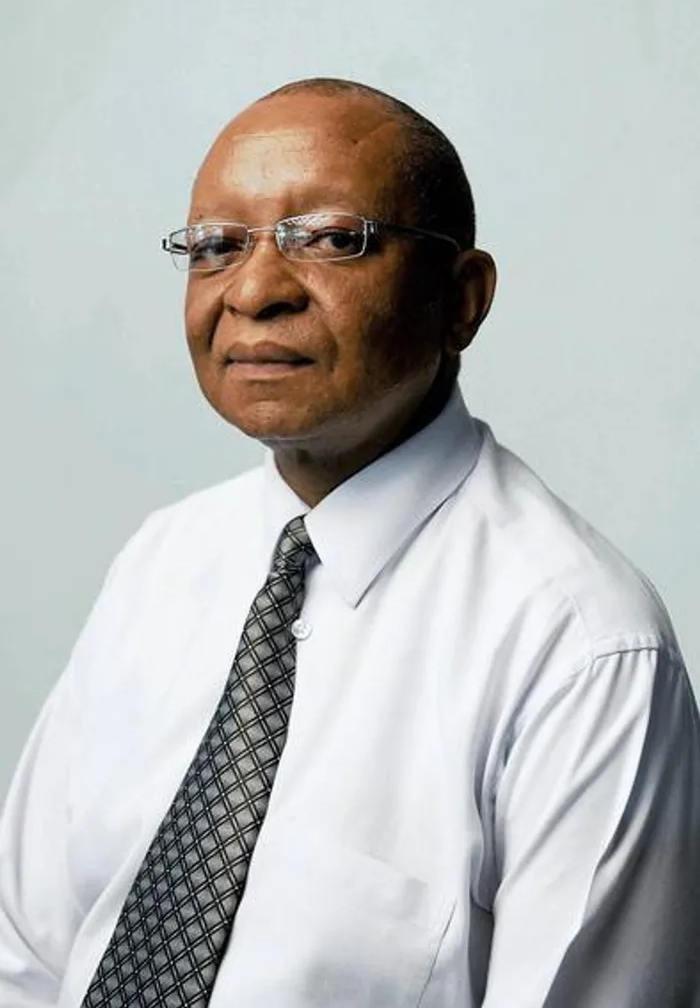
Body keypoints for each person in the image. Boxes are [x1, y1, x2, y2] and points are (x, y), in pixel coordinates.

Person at [0, 77, 698, 1008]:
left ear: (462, 298)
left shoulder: (582, 649)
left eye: (332, 239)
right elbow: (27, 955)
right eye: (216, 246)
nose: (255, 291)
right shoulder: (162, 562)